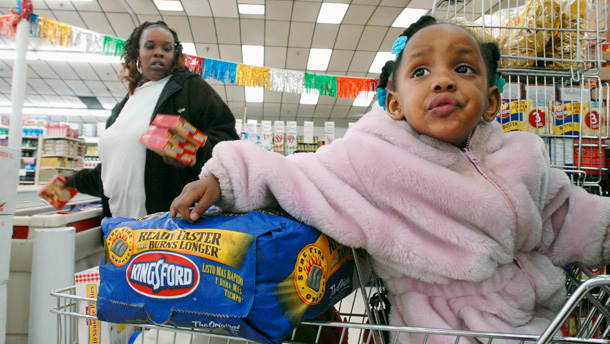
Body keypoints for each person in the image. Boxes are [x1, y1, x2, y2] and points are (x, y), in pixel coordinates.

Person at [170, 16, 610, 343]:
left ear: (491, 102)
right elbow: (297, 174)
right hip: (441, 329)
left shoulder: (521, 155)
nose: (442, 81)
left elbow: (565, 214)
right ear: (395, 104)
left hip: (548, 320)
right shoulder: (372, 159)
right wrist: (224, 178)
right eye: (421, 72)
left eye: (463, 69)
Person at [66, 21, 239, 219]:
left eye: (167, 48)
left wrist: (192, 148)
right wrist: (65, 184)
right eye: (150, 46)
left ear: (174, 55)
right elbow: (109, 171)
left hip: (168, 229)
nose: (159, 53)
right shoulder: (122, 108)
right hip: (118, 230)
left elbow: (229, 145)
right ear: (136, 53)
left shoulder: (189, 88)